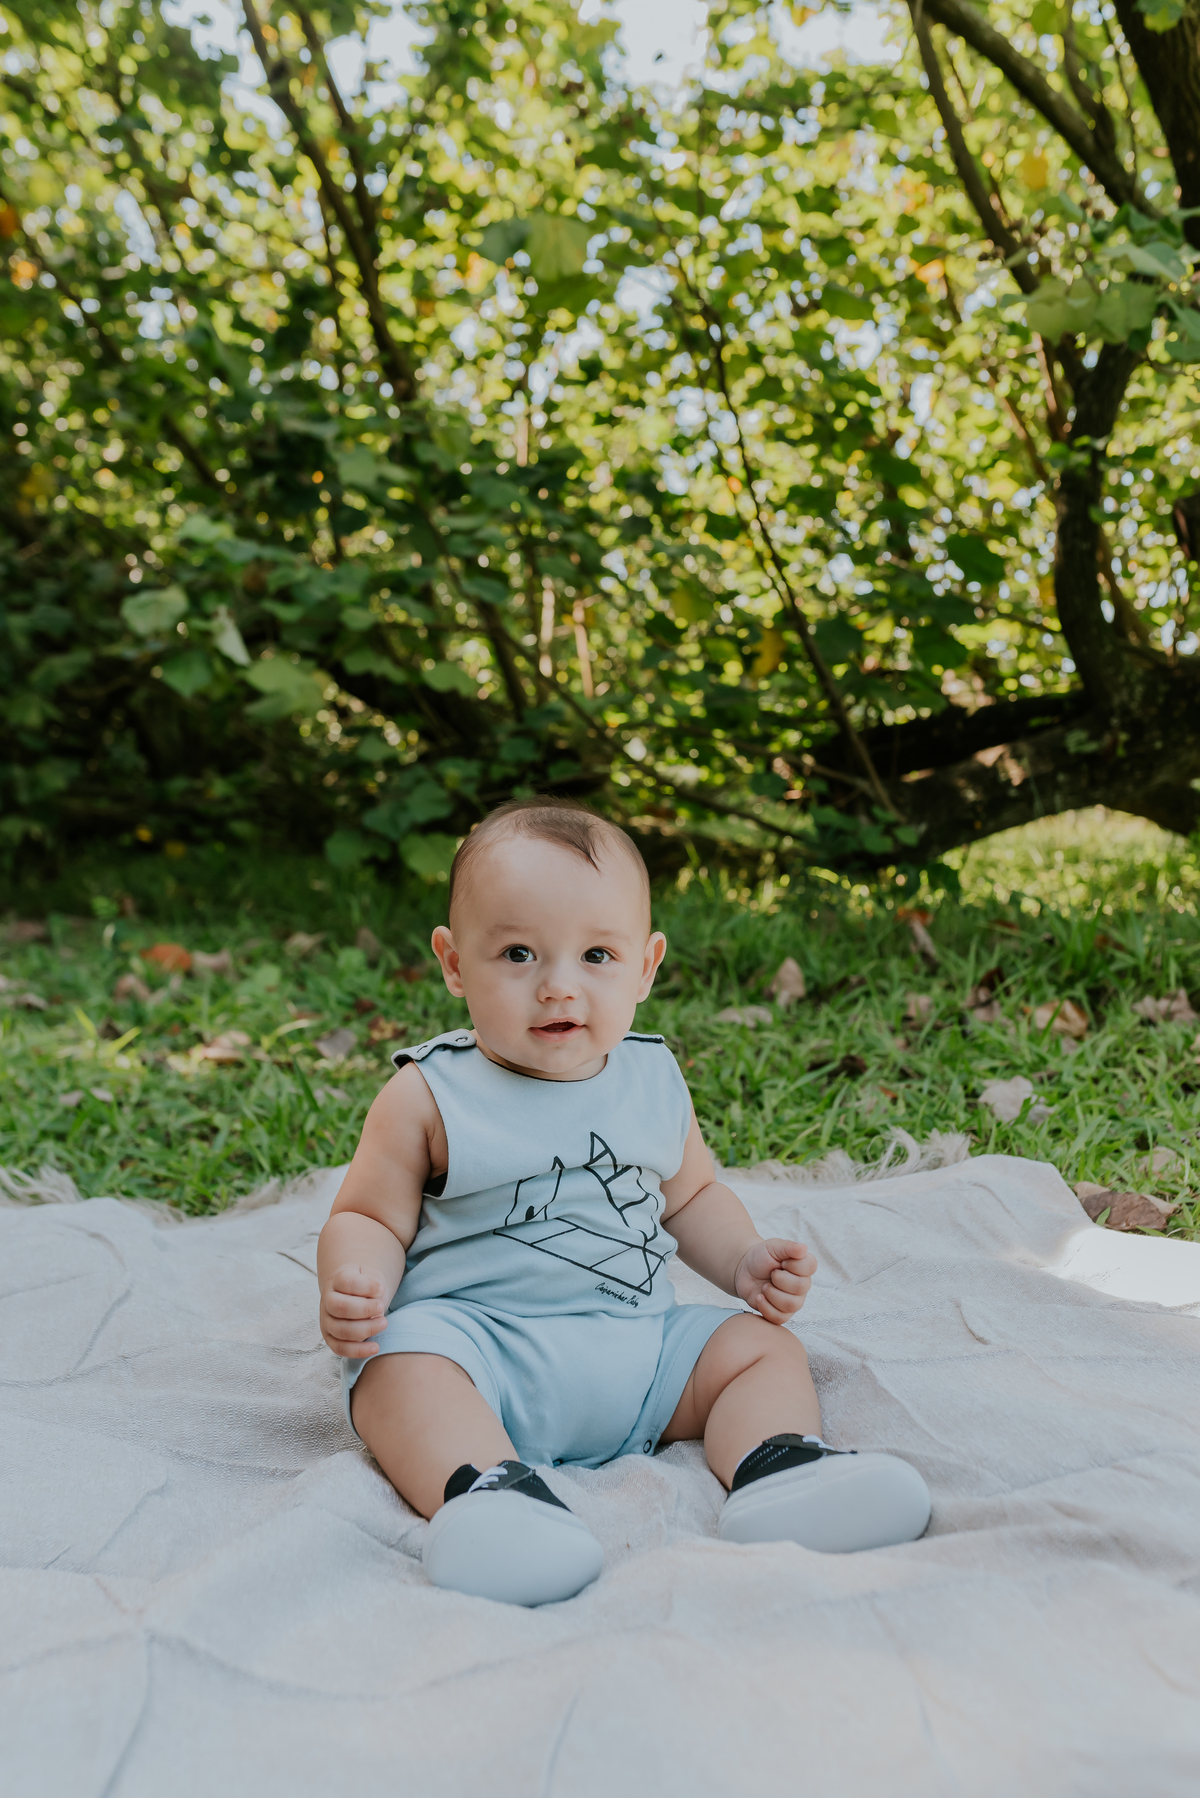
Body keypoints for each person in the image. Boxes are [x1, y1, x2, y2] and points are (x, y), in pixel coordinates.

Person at [317, 798, 930, 1606]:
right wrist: (357, 1278)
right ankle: (489, 1496)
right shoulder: (429, 1094)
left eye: (597, 955)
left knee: (760, 1350)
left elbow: (692, 1195)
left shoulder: (652, 1079)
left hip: (639, 1352)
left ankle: (780, 1467)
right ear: (455, 962)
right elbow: (367, 1214)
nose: (558, 987)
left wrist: (743, 1260)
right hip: (483, 1353)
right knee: (394, 1369)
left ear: (646, 965)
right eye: (519, 953)